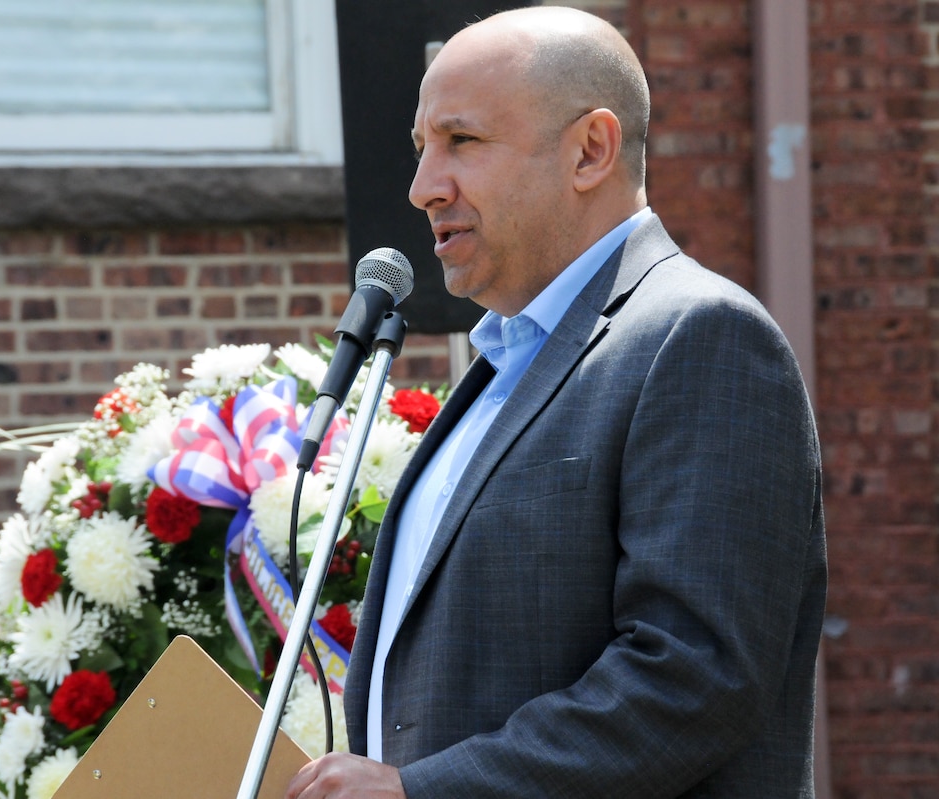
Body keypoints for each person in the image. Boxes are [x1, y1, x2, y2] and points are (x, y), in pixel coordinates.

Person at [286, 6, 826, 798]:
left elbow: (693, 678)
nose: (422, 187)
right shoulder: (500, 370)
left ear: (590, 150)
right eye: (420, 149)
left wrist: (421, 791)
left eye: (461, 141)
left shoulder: (700, 337)